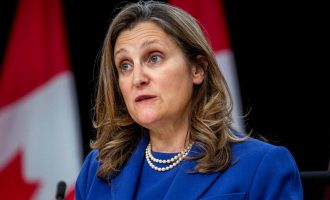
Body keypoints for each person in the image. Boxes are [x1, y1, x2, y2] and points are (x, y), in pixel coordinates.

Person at [75, 1, 303, 199]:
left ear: (197, 69)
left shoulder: (261, 165)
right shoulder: (97, 168)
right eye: (125, 65)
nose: (138, 78)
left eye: (154, 58)